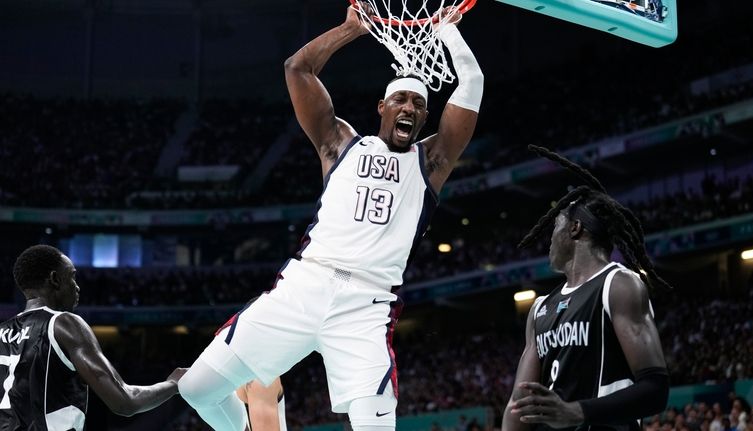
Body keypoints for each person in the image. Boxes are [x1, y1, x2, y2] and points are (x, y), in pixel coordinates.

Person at [178, 4, 483, 431]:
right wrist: (349, 29)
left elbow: (472, 83)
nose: (409, 107)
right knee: (196, 389)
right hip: (305, 286)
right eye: (400, 99)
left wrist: (448, 33)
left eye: (418, 102)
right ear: (382, 106)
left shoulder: (431, 161)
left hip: (367, 305)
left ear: (425, 116)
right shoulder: (339, 143)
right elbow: (297, 69)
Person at [501, 146, 670, 431]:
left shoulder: (618, 285)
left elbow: (656, 388)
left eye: (556, 225)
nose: (550, 238)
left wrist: (578, 412)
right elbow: (519, 404)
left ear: (575, 228)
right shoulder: (540, 308)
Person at [0, 244, 185, 430]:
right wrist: (173, 384)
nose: (77, 287)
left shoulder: (1, 331)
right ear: (55, 279)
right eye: (72, 277)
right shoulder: (64, 324)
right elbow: (125, 402)